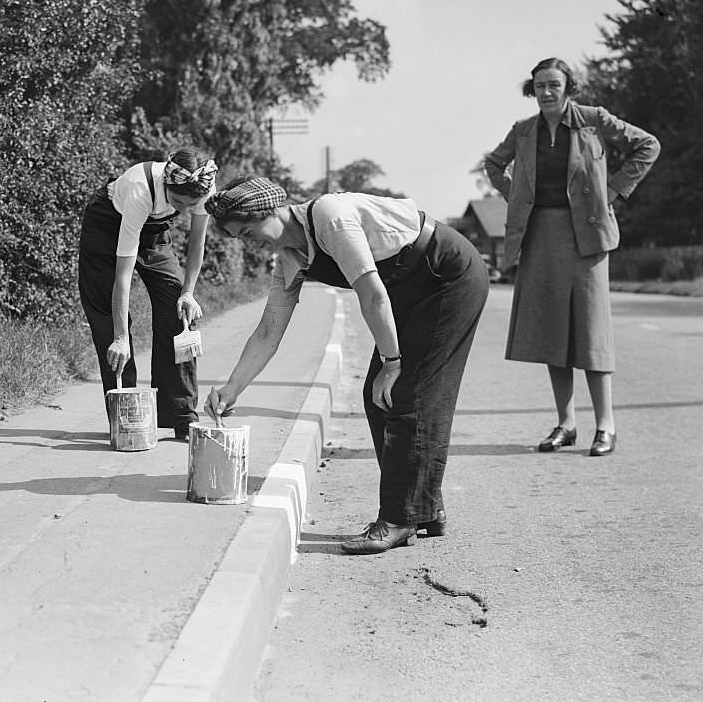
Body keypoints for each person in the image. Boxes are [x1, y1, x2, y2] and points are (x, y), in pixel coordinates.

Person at [203, 176, 488, 554]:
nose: (249, 242)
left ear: (272, 211)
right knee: (378, 399)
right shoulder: (291, 257)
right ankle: (423, 508)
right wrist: (231, 389)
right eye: (239, 237)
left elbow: (372, 293)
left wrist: (392, 362)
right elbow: (269, 331)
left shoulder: (329, 217)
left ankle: (399, 519)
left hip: (445, 276)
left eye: (249, 231)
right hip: (407, 288)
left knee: (409, 394)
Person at [484, 57, 660, 457]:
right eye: (539, 86)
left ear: (568, 87)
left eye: (554, 85)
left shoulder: (593, 120)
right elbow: (494, 165)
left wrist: (614, 191)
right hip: (539, 234)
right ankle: (566, 424)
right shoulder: (523, 130)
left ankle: (605, 426)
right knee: (552, 332)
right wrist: (516, 195)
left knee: (591, 330)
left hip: (588, 234)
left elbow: (648, 145)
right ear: (533, 91)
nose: (546, 92)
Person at [78, 150, 217, 441]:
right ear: (167, 184)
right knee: (109, 322)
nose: (186, 209)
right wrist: (120, 337)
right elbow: (123, 275)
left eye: (191, 205)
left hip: (155, 234)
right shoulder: (140, 190)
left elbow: (196, 245)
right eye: (179, 203)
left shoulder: (205, 186)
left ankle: (180, 415)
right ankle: (129, 417)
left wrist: (189, 293)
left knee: (180, 312)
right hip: (107, 227)